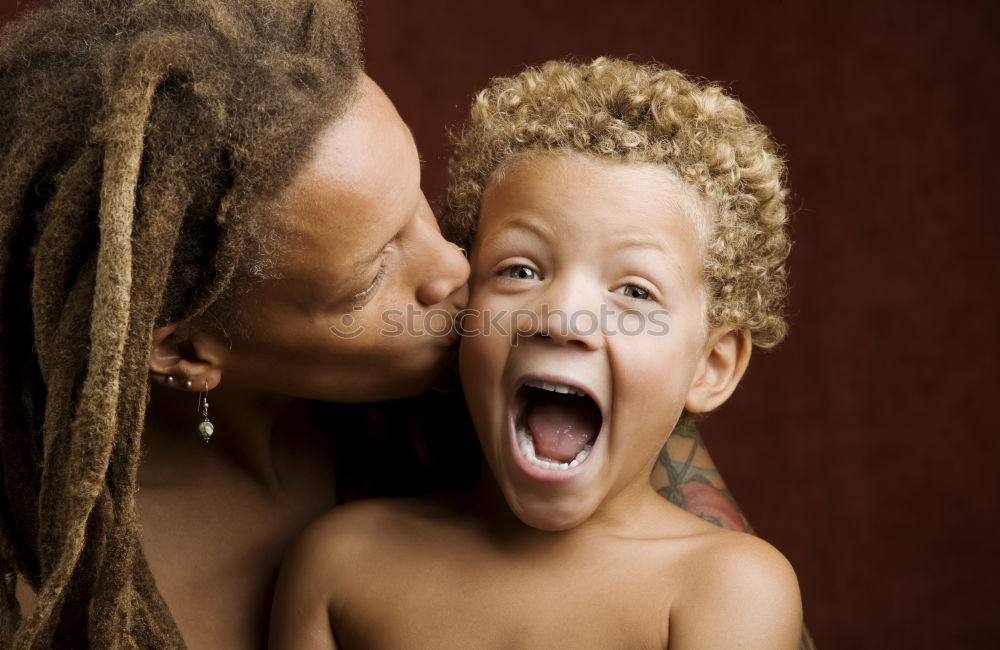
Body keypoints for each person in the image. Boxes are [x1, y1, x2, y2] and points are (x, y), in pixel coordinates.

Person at [0, 0, 787, 646]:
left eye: (425, 205)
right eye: (372, 273)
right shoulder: (55, 579)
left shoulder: (518, 363)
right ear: (181, 346)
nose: (456, 270)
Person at [270, 58, 802, 649]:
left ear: (712, 364)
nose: (561, 318)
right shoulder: (341, 565)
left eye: (634, 291)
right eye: (519, 269)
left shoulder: (725, 590)